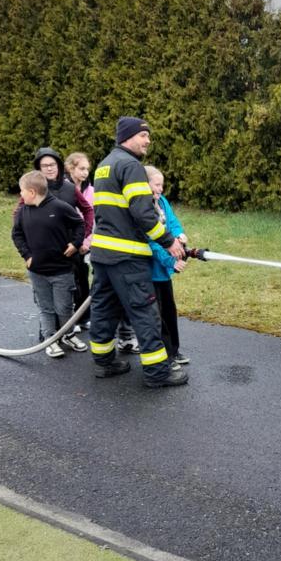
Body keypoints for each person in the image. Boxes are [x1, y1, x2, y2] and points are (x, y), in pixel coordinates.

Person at [88, 116, 188, 387]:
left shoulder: (104, 165)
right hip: (127, 256)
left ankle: (104, 362)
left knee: (104, 309)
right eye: (143, 135)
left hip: (102, 254)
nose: (148, 140)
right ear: (128, 136)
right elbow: (143, 213)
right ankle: (157, 373)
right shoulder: (131, 166)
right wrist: (168, 241)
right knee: (145, 312)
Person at [11, 171, 88, 359]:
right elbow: (16, 234)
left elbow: (79, 223)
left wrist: (76, 243)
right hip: (37, 272)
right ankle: (50, 340)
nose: (20, 194)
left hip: (62, 271)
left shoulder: (60, 207)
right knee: (46, 308)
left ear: (32, 192)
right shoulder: (22, 212)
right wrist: (27, 255)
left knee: (64, 308)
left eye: (22, 191)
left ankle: (68, 335)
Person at [144, 164, 190, 367]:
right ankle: (165, 356)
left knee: (170, 312)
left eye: (162, 185)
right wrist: (172, 261)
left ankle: (174, 350)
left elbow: (172, 222)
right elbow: (152, 243)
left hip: (163, 273)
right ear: (144, 185)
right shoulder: (143, 208)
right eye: (157, 185)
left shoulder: (162, 201)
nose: (160, 189)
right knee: (158, 317)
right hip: (150, 272)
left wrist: (179, 235)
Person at [65, 151, 94, 329]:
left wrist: (86, 242)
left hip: (85, 242)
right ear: (70, 168)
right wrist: (76, 242)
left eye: (87, 169)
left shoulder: (91, 190)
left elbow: (93, 217)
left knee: (83, 279)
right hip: (69, 241)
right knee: (71, 281)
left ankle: (84, 317)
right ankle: (70, 319)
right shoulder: (64, 188)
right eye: (81, 168)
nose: (85, 172)